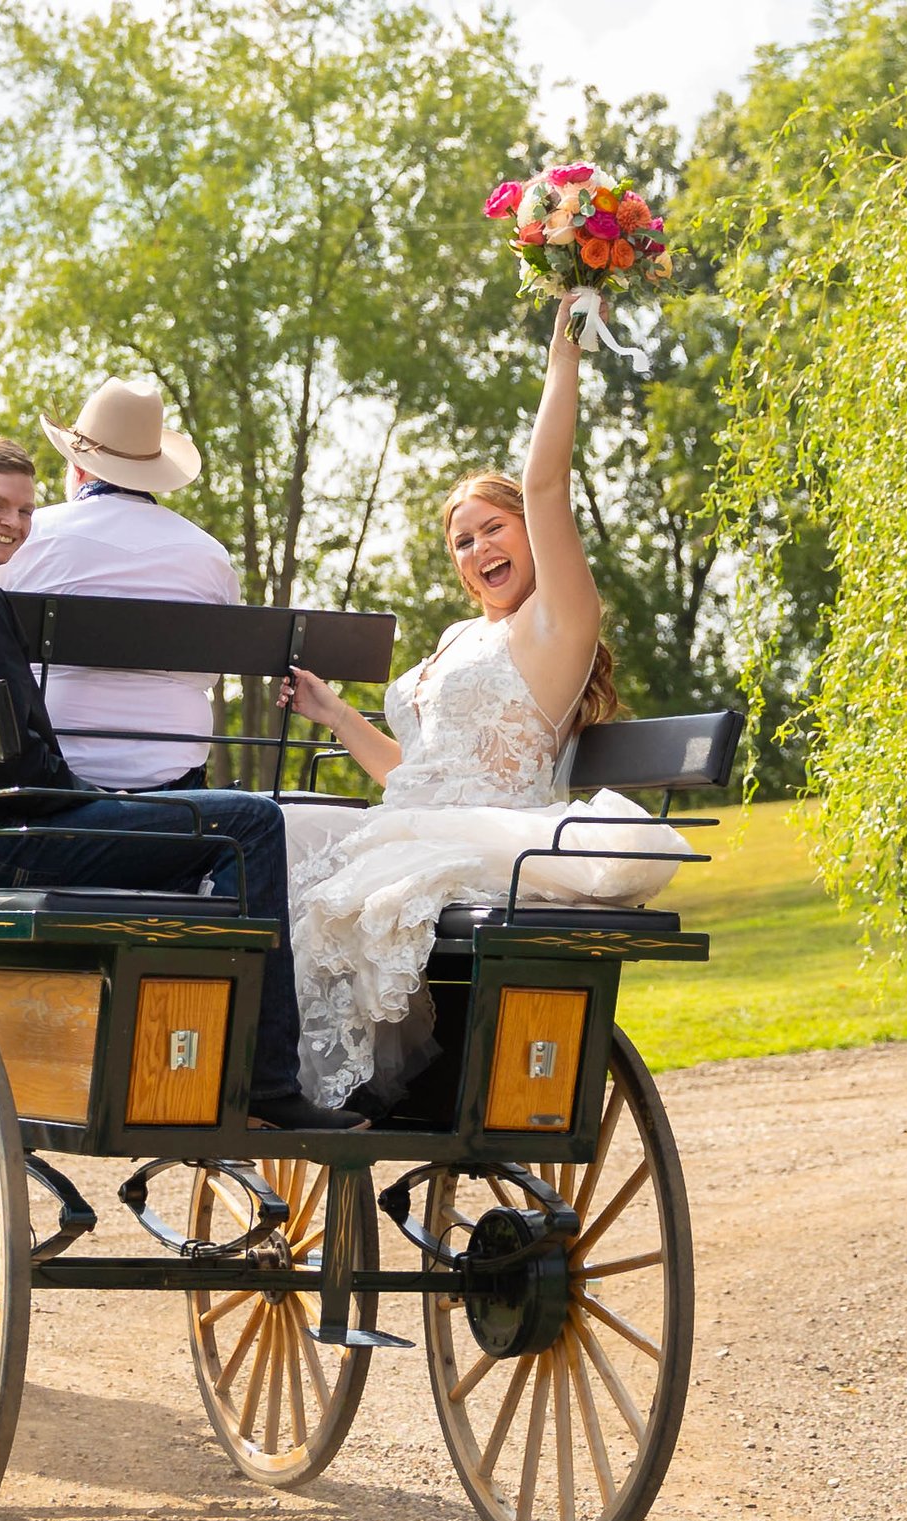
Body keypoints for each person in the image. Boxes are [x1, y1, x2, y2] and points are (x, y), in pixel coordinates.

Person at [0, 435, 361, 1131]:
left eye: (25, 509)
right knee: (250, 823)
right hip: (0, 840)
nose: (15, 522)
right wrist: (102, 804)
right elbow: (21, 765)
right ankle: (269, 1082)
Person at [277, 299, 692, 1110]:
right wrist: (336, 716)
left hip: (498, 830)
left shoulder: (555, 625)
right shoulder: (462, 636)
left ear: (535, 535)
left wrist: (564, 357)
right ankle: (283, 1075)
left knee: (324, 859)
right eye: (461, 542)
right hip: (424, 815)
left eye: (493, 528)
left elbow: (546, 480)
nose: (478, 550)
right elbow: (416, 772)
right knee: (281, 822)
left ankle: (355, 1082)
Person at [0, 377, 239, 792]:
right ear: (153, 472)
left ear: (77, 467)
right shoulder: (210, 554)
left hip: (52, 766)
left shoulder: (30, 535)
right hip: (174, 774)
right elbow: (207, 674)